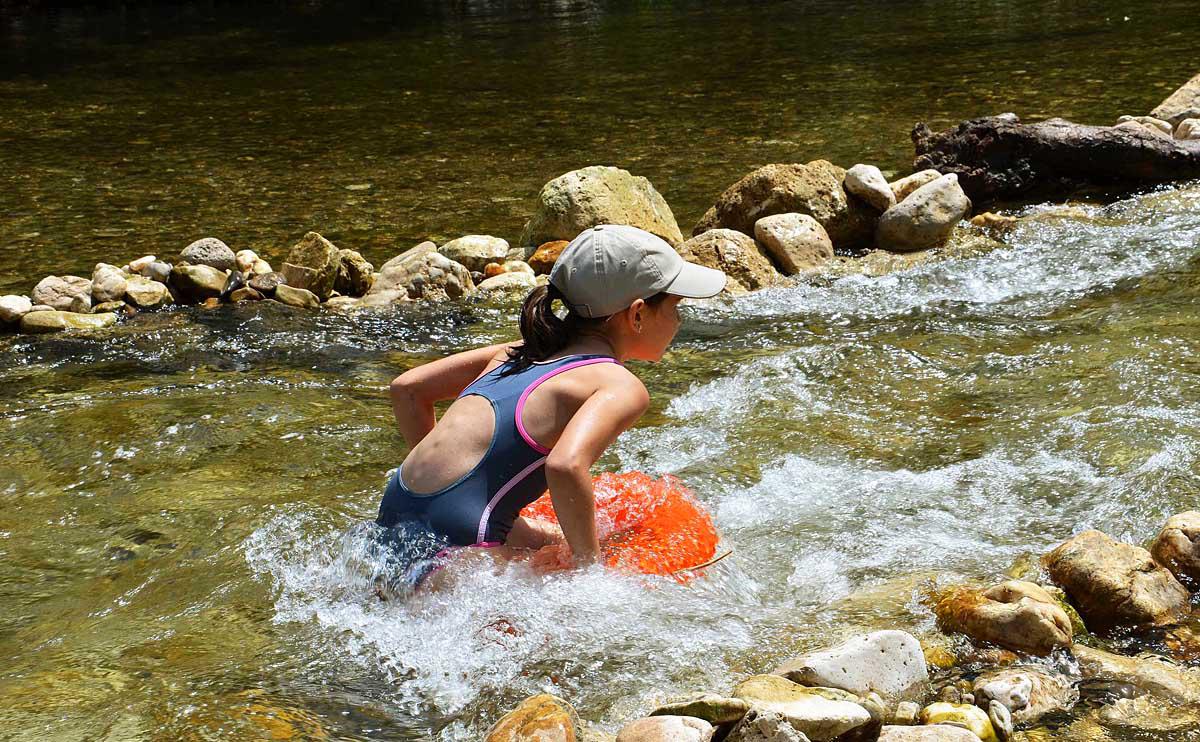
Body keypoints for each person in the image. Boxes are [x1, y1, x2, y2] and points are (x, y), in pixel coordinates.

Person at [373, 224, 726, 594]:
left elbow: (408, 389)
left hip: (390, 530)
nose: (680, 320)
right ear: (637, 314)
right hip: (462, 551)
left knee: (539, 537)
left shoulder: (513, 354)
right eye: (675, 307)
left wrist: (456, 494)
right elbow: (565, 466)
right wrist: (589, 571)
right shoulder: (619, 385)